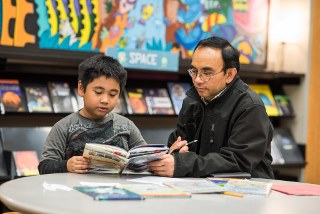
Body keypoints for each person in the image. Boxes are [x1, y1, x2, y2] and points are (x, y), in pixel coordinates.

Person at [148, 36, 274, 179]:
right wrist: (175, 154)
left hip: (247, 192)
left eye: (207, 73)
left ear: (229, 74)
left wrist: (183, 164)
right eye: (194, 71)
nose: (197, 80)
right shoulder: (192, 101)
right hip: (201, 187)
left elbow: (239, 161)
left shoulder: (250, 107)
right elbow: (177, 142)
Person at [38, 55, 146, 174]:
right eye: (98, 92)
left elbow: (145, 157)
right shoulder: (63, 127)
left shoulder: (127, 126)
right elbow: (44, 167)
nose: (105, 100)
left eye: (113, 94)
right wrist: (66, 165)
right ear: (81, 88)